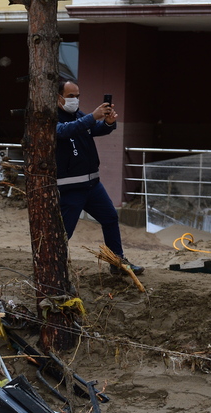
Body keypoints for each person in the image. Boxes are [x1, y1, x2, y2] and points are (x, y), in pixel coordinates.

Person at [55, 78, 144, 275]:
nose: (75, 100)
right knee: (64, 233)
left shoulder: (78, 115)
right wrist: (92, 117)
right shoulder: (51, 118)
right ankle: (53, 269)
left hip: (93, 185)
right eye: (71, 96)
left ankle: (117, 263)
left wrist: (108, 123)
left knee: (110, 218)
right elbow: (63, 131)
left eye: (78, 96)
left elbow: (93, 129)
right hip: (70, 189)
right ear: (58, 97)